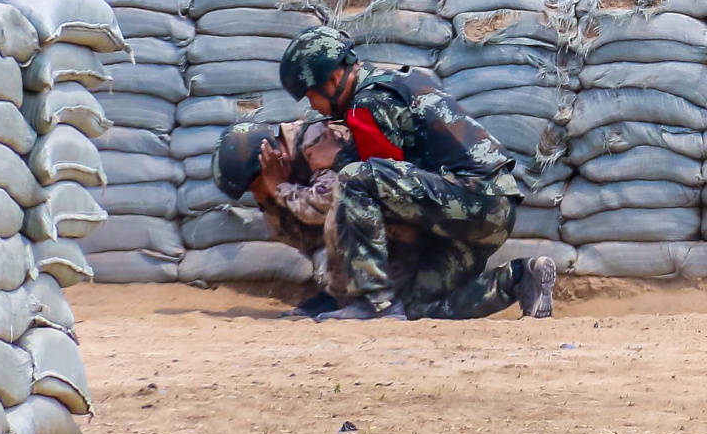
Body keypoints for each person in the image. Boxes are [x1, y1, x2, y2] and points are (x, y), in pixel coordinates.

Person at [278, 24, 556, 321]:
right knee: (418, 308)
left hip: (473, 200)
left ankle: (374, 302)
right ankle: (519, 278)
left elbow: (379, 184)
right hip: (490, 208)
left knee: (354, 178)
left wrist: (337, 159)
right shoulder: (397, 81)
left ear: (332, 80)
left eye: (311, 97)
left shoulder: (368, 103)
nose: (314, 108)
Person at [213, 117, 356, 318]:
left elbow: (328, 203)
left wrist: (280, 187)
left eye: (255, 188)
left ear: (271, 161)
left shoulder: (317, 139)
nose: (258, 197)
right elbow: (305, 240)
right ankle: (340, 295)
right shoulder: (276, 192)